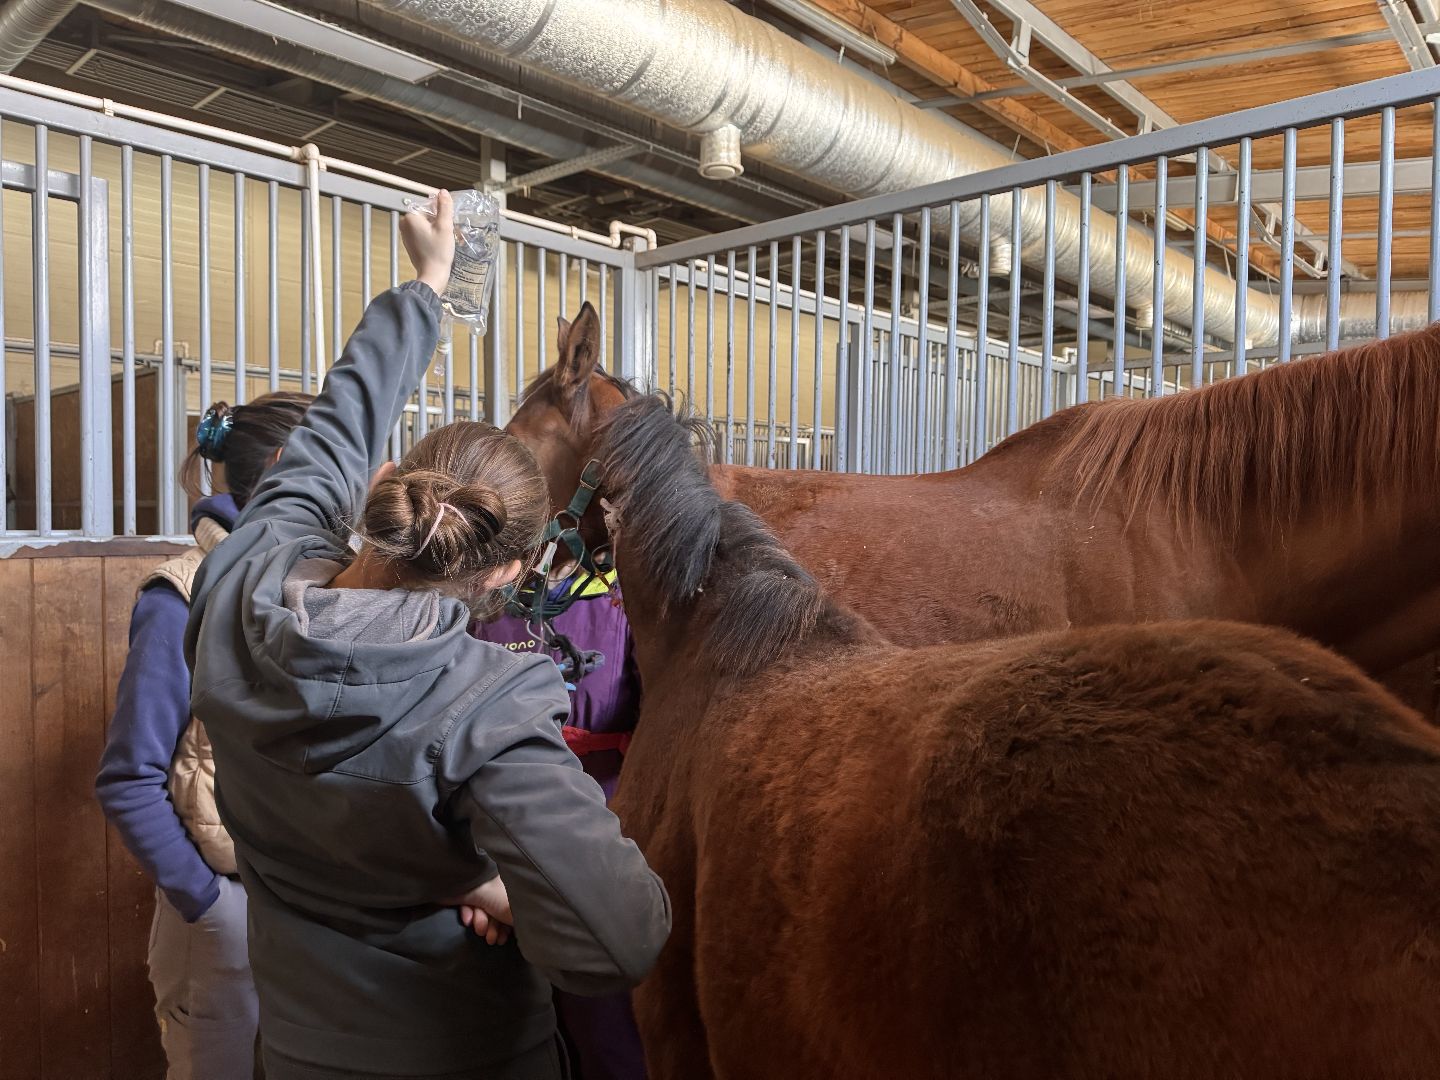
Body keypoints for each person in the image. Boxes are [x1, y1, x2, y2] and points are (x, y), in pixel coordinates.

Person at [183, 191, 671, 1080]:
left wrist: (427, 282)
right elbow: (621, 936)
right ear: (508, 575)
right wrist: (499, 893)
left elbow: (332, 430)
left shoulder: (239, 583)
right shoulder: (487, 704)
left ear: (386, 486)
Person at [96, 389, 312, 1080]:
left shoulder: (319, 587)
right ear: (284, 466)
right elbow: (129, 779)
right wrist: (210, 906)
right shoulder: (179, 596)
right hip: (224, 916)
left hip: (308, 918)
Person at [473, 575, 648, 1080]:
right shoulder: (483, 595)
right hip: (498, 823)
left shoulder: (624, 598)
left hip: (604, 818)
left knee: (605, 1018)